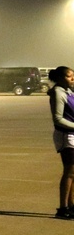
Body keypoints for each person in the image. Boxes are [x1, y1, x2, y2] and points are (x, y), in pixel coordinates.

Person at [46, 66, 74, 219]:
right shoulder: (58, 92)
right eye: (69, 76)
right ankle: (63, 208)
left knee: (73, 173)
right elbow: (58, 119)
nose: (73, 79)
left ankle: (71, 205)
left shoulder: (68, 91)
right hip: (66, 136)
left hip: (72, 134)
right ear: (61, 78)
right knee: (69, 172)